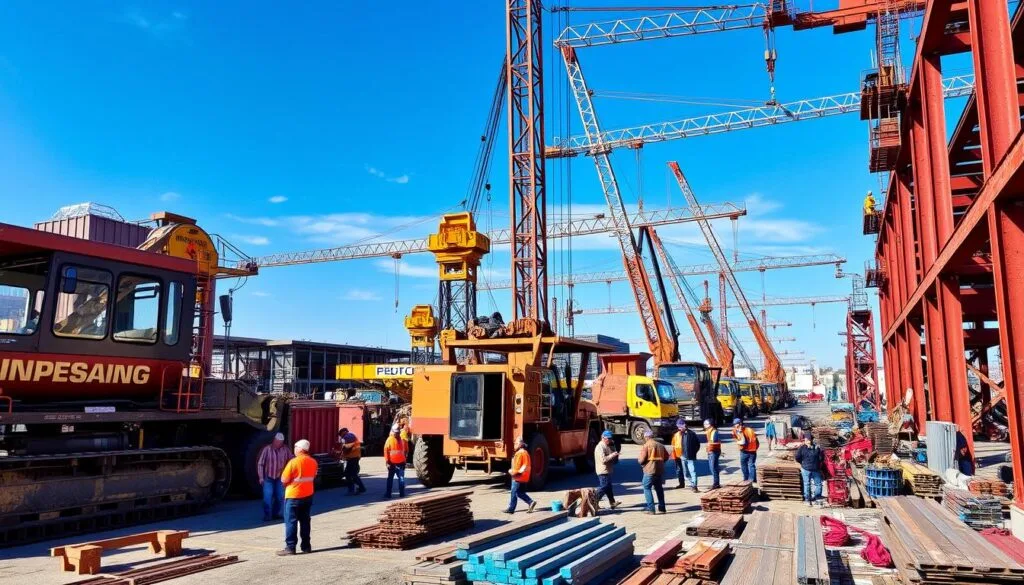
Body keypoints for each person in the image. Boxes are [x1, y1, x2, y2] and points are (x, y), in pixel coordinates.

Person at [277, 439, 318, 556]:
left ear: (300, 449)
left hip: (294, 496)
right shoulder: (313, 462)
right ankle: (306, 546)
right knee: (305, 521)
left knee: (291, 522)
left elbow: (284, 479)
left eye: (295, 447)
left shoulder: (293, 462)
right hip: (308, 495)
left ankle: (290, 547)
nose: (294, 449)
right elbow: (313, 476)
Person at [257, 432, 292, 522]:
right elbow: (260, 464)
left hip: (279, 478)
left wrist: (289, 475)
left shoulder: (285, 450)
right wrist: (261, 477)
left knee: (280, 497)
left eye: (280, 442)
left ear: (282, 442)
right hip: (268, 478)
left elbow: (291, 462)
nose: (278, 444)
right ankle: (267, 515)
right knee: (267, 497)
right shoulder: (267, 449)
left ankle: (275, 513)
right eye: (277, 442)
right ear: (274, 440)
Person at [638, 429, 668, 514]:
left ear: (646, 437)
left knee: (647, 488)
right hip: (659, 471)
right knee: (659, 489)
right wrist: (660, 463)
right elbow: (666, 457)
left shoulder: (646, 445)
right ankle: (662, 508)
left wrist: (640, 462)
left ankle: (651, 509)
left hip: (649, 470)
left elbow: (641, 460)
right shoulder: (660, 445)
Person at [505, 437, 537, 514]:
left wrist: (512, 472)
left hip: (518, 477)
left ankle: (511, 509)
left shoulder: (519, 453)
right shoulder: (525, 452)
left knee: (514, 492)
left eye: (516, 443)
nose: (514, 445)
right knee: (520, 492)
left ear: (520, 444)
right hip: (524, 476)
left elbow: (518, 466)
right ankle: (530, 502)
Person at [794, 435, 824, 505]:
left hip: (807, 468)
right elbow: (821, 458)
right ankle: (817, 498)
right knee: (817, 484)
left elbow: (797, 457)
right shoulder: (816, 448)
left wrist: (802, 463)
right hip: (814, 468)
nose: (806, 441)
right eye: (806, 439)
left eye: (807, 440)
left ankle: (807, 499)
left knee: (807, 484)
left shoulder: (802, 448)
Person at [594, 430, 620, 510]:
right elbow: (603, 460)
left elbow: (611, 458)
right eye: (608, 439)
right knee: (604, 486)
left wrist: (615, 454)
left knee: (609, 488)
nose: (610, 440)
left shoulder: (607, 445)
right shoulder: (600, 447)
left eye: (610, 438)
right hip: (603, 470)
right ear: (603, 438)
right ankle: (593, 499)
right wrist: (612, 455)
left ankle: (612, 503)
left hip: (608, 470)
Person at [339, 429, 367, 495]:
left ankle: (352, 490)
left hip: (353, 458)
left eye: (341, 434)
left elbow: (347, 448)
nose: (341, 436)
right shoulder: (351, 436)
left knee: (348, 474)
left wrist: (343, 450)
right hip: (354, 457)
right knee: (353, 474)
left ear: (344, 432)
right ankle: (361, 488)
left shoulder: (348, 436)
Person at [383, 424, 407, 498]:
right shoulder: (391, 440)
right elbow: (386, 451)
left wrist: (404, 461)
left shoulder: (400, 440)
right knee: (393, 479)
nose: (396, 434)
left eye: (397, 432)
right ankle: (389, 494)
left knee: (399, 479)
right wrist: (387, 462)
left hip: (399, 463)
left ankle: (399, 494)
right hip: (392, 464)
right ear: (393, 432)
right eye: (396, 432)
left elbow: (404, 452)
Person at [732, 418, 759, 482]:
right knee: (751, 465)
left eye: (736, 425)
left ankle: (747, 479)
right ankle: (752, 479)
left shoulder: (739, 430)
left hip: (745, 451)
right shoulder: (750, 430)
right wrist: (755, 448)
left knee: (745, 465)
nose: (735, 426)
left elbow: (742, 442)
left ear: (740, 424)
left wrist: (738, 442)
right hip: (752, 450)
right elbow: (757, 441)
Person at [680, 423, 701, 493]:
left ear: (685, 427)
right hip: (683, 456)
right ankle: (692, 483)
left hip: (691, 457)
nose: (680, 429)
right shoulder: (682, 434)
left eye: (681, 427)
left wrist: (694, 452)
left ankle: (694, 486)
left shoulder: (692, 434)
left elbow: (698, 444)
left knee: (693, 472)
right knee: (685, 474)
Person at [703, 419, 722, 489]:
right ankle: (716, 483)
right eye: (704, 424)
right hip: (711, 451)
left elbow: (715, 441)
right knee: (713, 467)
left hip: (714, 451)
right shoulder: (709, 431)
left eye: (706, 424)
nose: (704, 425)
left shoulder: (714, 431)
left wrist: (709, 445)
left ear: (710, 424)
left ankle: (716, 483)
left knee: (713, 468)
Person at [670, 419, 688, 489]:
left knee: (686, 469)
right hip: (677, 454)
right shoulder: (676, 434)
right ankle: (681, 483)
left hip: (684, 454)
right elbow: (673, 445)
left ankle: (693, 485)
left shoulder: (687, 434)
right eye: (678, 426)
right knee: (679, 469)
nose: (679, 428)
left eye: (681, 426)